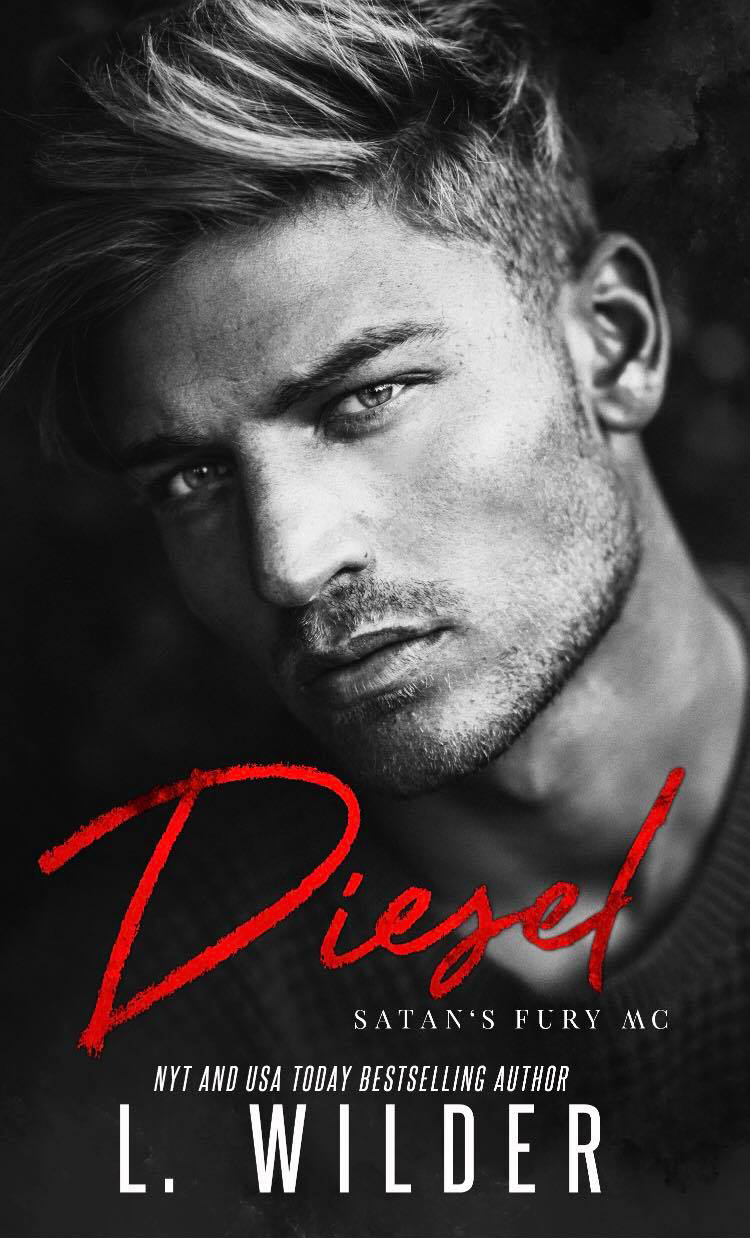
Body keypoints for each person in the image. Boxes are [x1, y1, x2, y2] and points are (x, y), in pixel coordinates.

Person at [3, 1, 750, 1232]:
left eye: (367, 398)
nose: (289, 563)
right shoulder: (117, 1053)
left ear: (613, 347)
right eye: (192, 478)